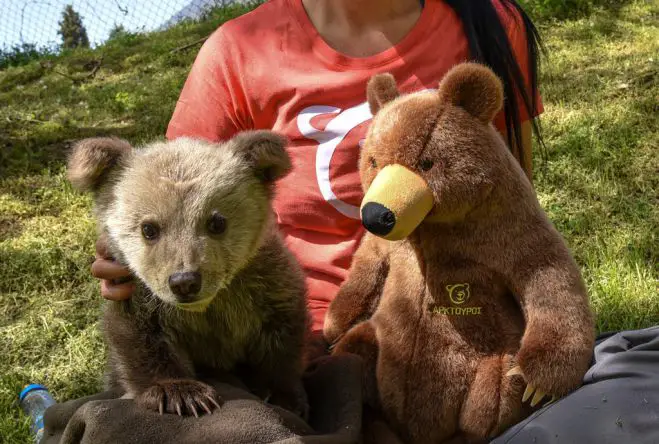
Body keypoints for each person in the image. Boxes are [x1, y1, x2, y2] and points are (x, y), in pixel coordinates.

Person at [90, 1, 659, 443]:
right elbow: (165, 205)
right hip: (313, 355)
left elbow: (516, 212)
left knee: (638, 393)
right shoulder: (238, 53)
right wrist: (130, 262)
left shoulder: (490, 23)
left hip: (475, 331)